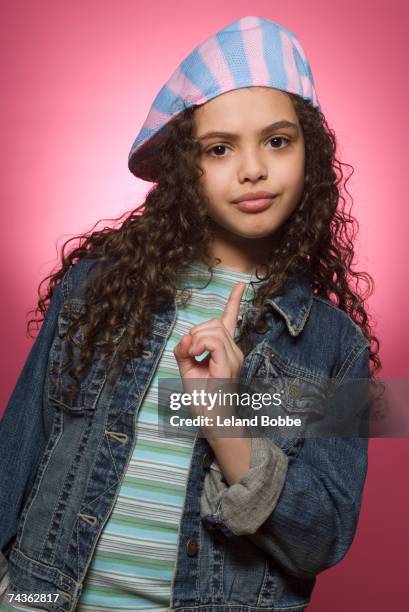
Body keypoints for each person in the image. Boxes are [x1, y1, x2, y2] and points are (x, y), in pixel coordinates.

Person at [0, 15, 380, 612]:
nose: (252, 168)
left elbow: (322, 539)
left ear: (312, 151)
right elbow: (18, 451)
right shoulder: (96, 288)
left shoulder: (337, 347)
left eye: (277, 140)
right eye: (220, 148)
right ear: (186, 168)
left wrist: (223, 417)